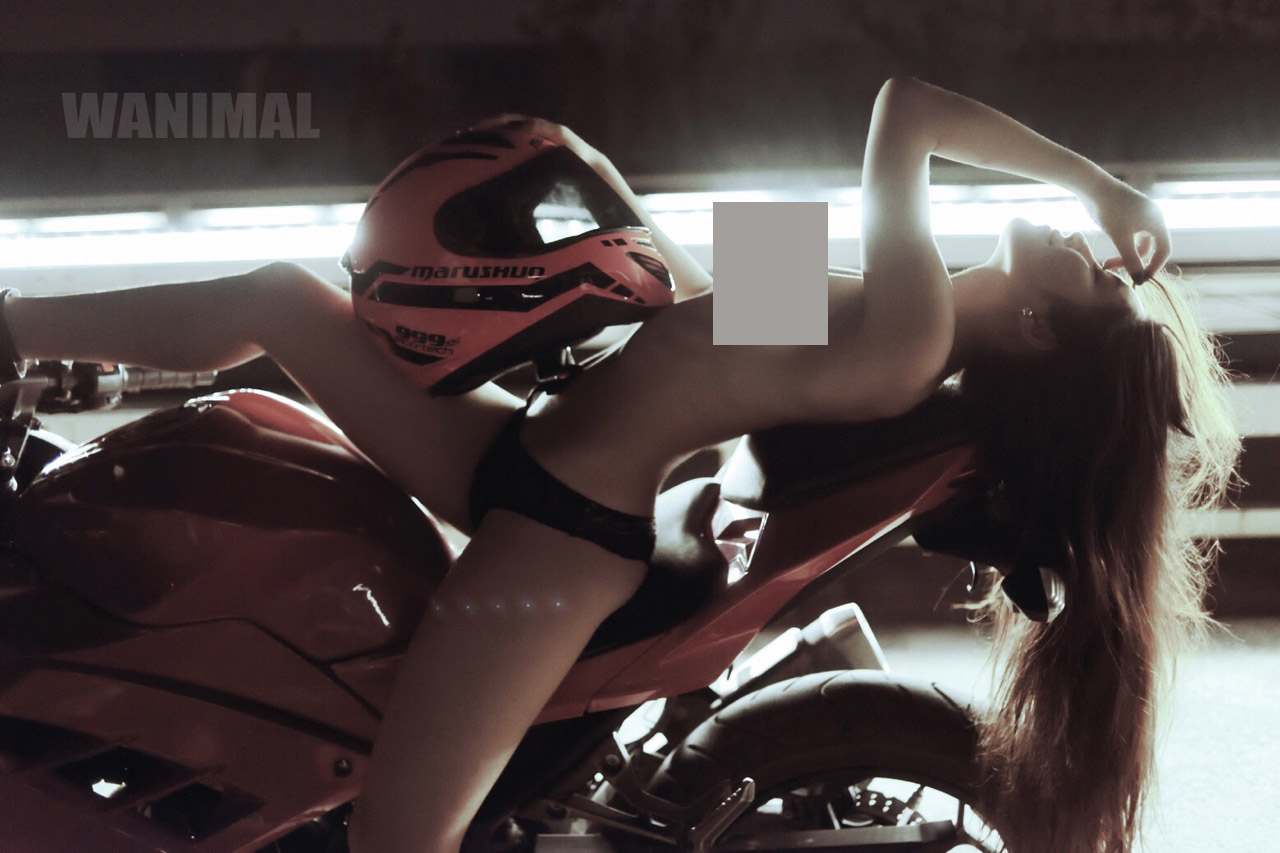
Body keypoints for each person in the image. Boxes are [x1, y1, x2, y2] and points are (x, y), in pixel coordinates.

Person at [0, 78, 1240, 852]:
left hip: (562, 527)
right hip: (519, 447)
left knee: (401, 833)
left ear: (1034, 329)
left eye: (1091, 278)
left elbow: (903, 111)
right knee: (279, 296)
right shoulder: (883, 306)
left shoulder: (910, 332)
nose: (1090, 246)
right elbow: (693, 305)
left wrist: (1097, 181)